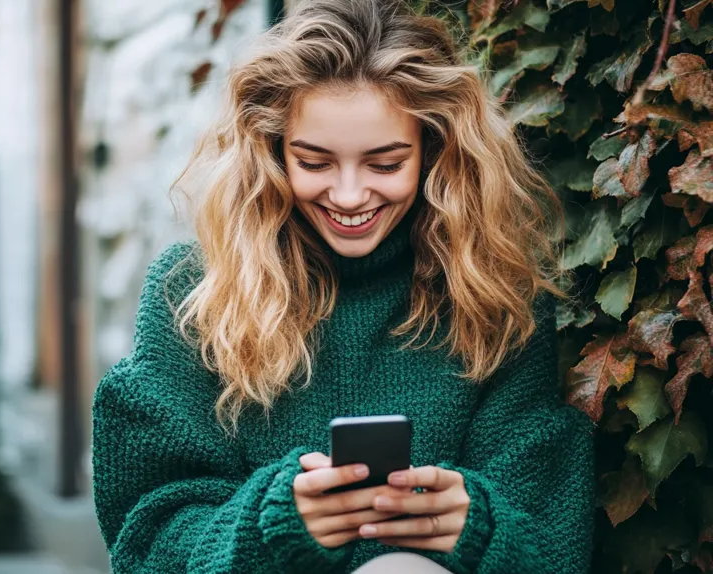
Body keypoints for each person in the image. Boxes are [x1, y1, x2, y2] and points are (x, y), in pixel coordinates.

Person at [90, 0, 596, 572]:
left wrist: (479, 528)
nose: (350, 196)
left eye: (385, 164)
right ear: (272, 151)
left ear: (434, 149)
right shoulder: (192, 294)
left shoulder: (496, 297)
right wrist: (270, 528)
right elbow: (146, 540)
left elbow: (552, 544)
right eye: (315, 163)